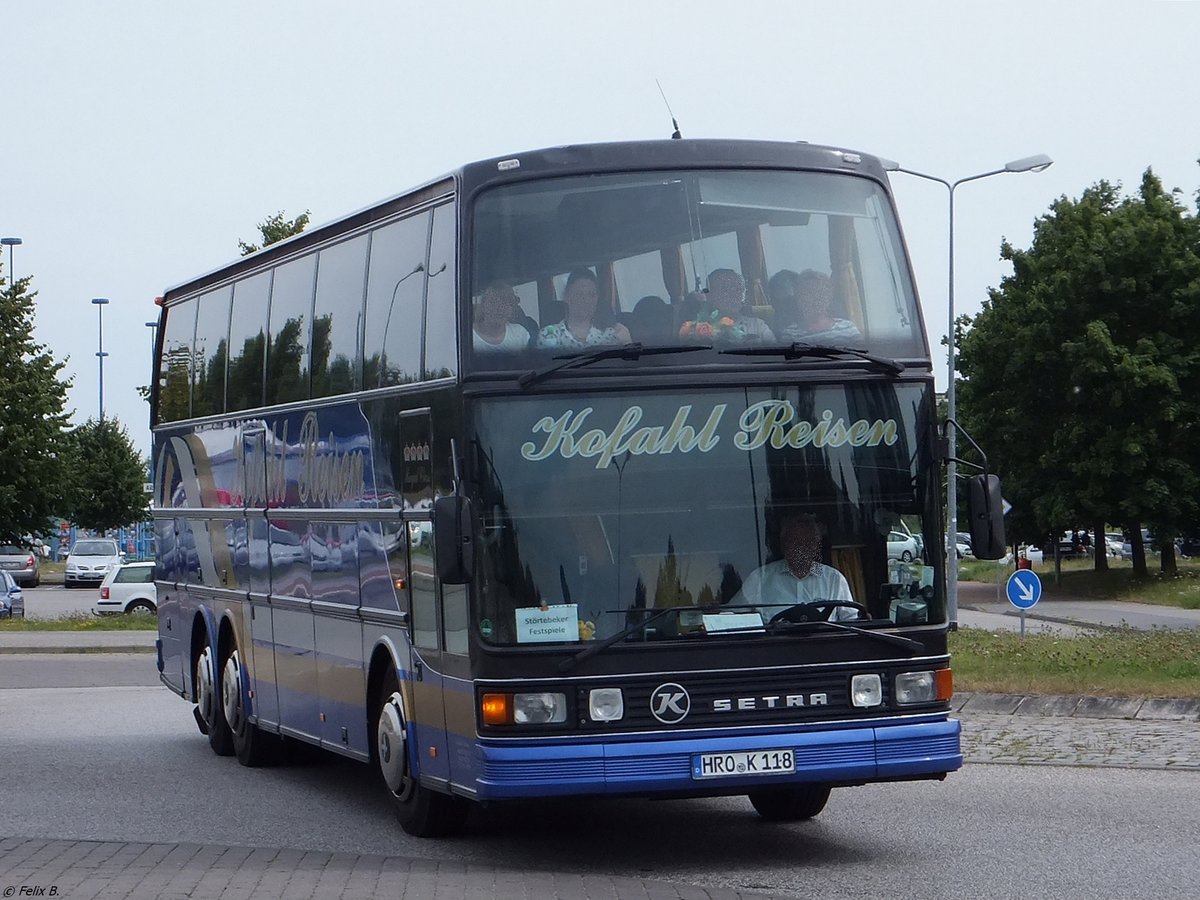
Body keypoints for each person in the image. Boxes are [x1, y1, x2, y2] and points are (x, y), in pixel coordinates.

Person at [731, 513, 859, 622]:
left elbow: (853, 623)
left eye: (807, 542)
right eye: (795, 542)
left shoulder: (833, 579)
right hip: (775, 649)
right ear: (783, 546)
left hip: (825, 649)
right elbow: (731, 616)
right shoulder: (760, 578)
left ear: (816, 546)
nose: (800, 549)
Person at [536, 268, 631, 349]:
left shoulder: (612, 335)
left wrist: (627, 342)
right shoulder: (549, 334)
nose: (585, 300)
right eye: (578, 294)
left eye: (591, 295)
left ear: (597, 299)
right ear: (566, 297)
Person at [679, 268, 774, 342]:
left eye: (738, 289)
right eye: (726, 290)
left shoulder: (757, 325)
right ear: (709, 295)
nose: (734, 295)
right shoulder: (695, 328)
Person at [779, 269, 862, 344]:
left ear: (829, 297)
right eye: (807, 294)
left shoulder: (848, 328)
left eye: (819, 293)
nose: (814, 298)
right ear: (798, 299)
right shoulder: (789, 335)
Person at [472, 282, 531, 352]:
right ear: (483, 305)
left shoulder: (520, 334)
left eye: (506, 303)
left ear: (512, 309)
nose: (499, 308)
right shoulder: (467, 334)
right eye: (494, 302)